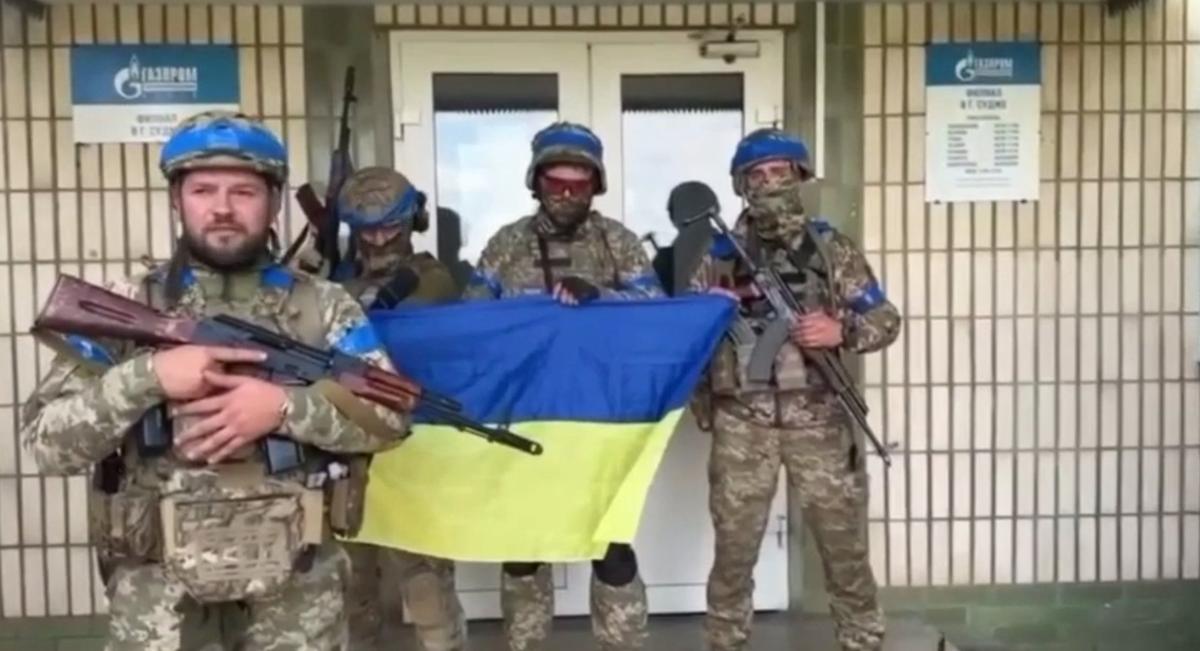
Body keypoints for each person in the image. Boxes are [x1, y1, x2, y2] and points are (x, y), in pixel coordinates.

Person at [20, 110, 409, 651]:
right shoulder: (128, 304)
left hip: (297, 606)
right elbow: (47, 445)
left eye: (244, 191)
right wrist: (147, 376)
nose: (222, 208)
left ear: (274, 201)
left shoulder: (324, 306)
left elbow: (390, 421)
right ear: (177, 200)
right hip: (159, 612)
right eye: (203, 189)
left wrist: (282, 408)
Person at [694, 128, 901, 651]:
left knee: (844, 550)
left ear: (799, 177)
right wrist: (708, 311)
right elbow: (683, 337)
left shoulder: (832, 249)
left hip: (821, 419)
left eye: (779, 173)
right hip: (743, 422)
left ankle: (863, 641)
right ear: (743, 185)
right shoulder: (716, 253)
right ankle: (725, 643)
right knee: (734, 552)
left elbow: (885, 317)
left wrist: (842, 331)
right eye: (757, 176)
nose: (769, 184)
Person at [463, 121, 661, 651]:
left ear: (596, 185)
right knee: (524, 548)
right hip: (524, 415)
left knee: (611, 546)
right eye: (557, 183)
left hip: (601, 419)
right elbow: (472, 323)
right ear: (537, 183)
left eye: (579, 183)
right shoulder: (506, 245)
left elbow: (656, 313)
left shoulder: (616, 241)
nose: (568, 195)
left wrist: (601, 296)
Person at [334, 165, 467, 650]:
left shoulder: (432, 281)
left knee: (426, 586)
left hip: (415, 451)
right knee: (353, 587)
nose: (379, 239)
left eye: (390, 225)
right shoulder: (335, 286)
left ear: (414, 221)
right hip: (349, 452)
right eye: (367, 229)